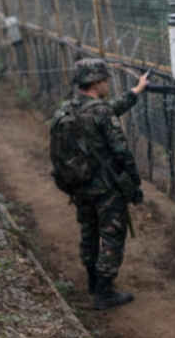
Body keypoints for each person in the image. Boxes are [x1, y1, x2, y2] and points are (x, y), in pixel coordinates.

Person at [63, 58, 151, 310]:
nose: (107, 85)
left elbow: (112, 107)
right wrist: (134, 182)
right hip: (106, 188)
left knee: (89, 232)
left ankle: (92, 282)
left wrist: (137, 89)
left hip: (79, 184)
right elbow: (122, 151)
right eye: (104, 81)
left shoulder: (69, 108)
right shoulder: (102, 113)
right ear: (96, 83)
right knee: (112, 235)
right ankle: (104, 292)